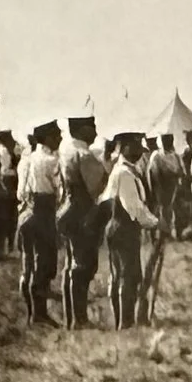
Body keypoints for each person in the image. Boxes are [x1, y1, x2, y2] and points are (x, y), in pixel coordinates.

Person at [102, 131, 162, 329]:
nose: (139, 152)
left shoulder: (126, 171)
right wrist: (155, 223)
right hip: (124, 227)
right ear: (125, 147)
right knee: (128, 275)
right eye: (135, 147)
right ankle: (125, 322)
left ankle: (123, 320)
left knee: (122, 274)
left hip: (121, 227)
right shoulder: (124, 174)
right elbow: (134, 207)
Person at [58, 115, 108, 326]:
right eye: (92, 127)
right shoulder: (84, 155)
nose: (96, 131)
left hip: (68, 212)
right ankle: (80, 319)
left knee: (71, 267)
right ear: (82, 130)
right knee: (83, 267)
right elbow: (97, 187)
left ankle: (72, 318)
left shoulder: (65, 151)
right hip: (84, 214)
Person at [17, 121, 62, 325]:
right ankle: (39, 315)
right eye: (57, 135)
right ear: (48, 138)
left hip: (26, 213)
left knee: (28, 265)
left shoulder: (27, 160)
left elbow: (20, 192)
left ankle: (30, 313)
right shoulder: (51, 160)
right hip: (44, 212)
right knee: (44, 265)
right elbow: (60, 191)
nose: (60, 138)